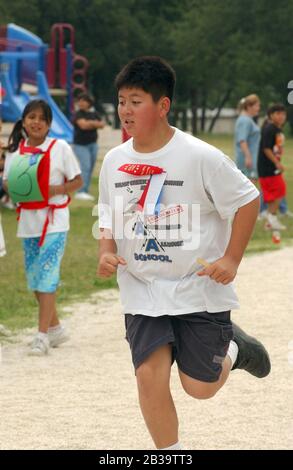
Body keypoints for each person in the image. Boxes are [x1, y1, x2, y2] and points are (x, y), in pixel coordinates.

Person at [97, 56, 270, 450]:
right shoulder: (114, 161)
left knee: (200, 387)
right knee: (148, 376)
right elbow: (109, 212)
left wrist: (231, 259)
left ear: (162, 106)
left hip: (197, 288)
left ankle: (235, 347)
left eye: (136, 100)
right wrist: (106, 249)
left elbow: (247, 199)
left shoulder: (200, 156)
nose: (125, 110)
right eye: (122, 100)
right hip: (143, 287)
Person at [3, 99, 83, 355]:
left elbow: (78, 181)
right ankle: (56, 329)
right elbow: (6, 183)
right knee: (36, 281)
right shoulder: (16, 152)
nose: (36, 122)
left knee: (47, 279)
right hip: (28, 224)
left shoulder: (60, 148)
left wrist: (56, 190)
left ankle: (41, 336)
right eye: (31, 117)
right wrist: (14, 188)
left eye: (42, 118)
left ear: (49, 125)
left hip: (54, 223)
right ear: (24, 121)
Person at [257, 103, 288, 231]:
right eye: (277, 113)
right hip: (267, 168)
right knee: (277, 191)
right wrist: (276, 162)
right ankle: (272, 219)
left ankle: (270, 221)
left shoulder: (277, 129)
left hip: (272, 167)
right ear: (271, 115)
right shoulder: (270, 128)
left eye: (283, 114)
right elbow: (266, 148)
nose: (281, 116)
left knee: (276, 193)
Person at [73, 92, 105, 201]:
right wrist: (93, 123)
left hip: (93, 144)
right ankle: (80, 191)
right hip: (80, 145)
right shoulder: (78, 114)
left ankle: (85, 191)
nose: (80, 103)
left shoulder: (94, 113)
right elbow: (83, 125)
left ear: (89, 103)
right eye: (79, 100)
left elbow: (102, 124)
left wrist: (90, 123)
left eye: (83, 100)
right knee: (85, 167)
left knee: (90, 168)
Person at [234, 94, 261, 185]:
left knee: (249, 190)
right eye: (257, 106)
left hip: (250, 160)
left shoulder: (247, 120)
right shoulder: (244, 120)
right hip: (247, 161)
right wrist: (248, 157)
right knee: (248, 190)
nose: (258, 108)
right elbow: (242, 140)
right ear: (249, 106)